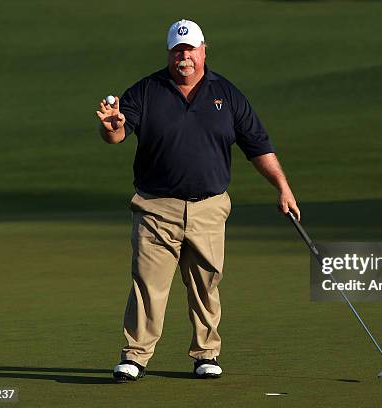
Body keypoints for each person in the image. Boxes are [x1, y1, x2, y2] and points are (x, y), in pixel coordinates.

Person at [95, 19, 300, 382]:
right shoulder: (146, 90)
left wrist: (282, 187)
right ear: (170, 54)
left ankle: (206, 354)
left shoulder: (228, 94)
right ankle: (135, 356)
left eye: (190, 49)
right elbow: (117, 133)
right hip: (156, 208)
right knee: (148, 284)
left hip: (209, 207)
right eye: (177, 50)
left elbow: (258, 146)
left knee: (206, 284)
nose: (184, 57)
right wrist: (111, 126)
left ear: (204, 50)